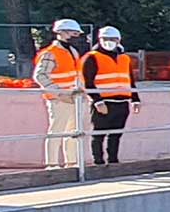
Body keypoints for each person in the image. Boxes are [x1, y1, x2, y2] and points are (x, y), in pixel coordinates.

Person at [80, 25, 142, 166]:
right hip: (104, 102)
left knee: (116, 134)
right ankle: (99, 162)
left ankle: (113, 161)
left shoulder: (124, 58)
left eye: (113, 39)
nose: (109, 41)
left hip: (122, 102)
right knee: (99, 134)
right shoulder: (92, 58)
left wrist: (135, 99)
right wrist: (97, 101)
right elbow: (87, 82)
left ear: (118, 40)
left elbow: (130, 79)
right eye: (105, 39)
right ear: (99, 40)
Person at [33, 17, 88, 171]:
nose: (75, 36)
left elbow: (76, 75)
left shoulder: (72, 51)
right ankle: (52, 165)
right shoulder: (51, 53)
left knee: (73, 133)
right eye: (73, 33)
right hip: (59, 99)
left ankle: (72, 164)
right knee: (56, 132)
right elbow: (40, 75)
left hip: (73, 98)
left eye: (77, 33)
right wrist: (59, 93)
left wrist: (81, 92)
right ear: (61, 33)